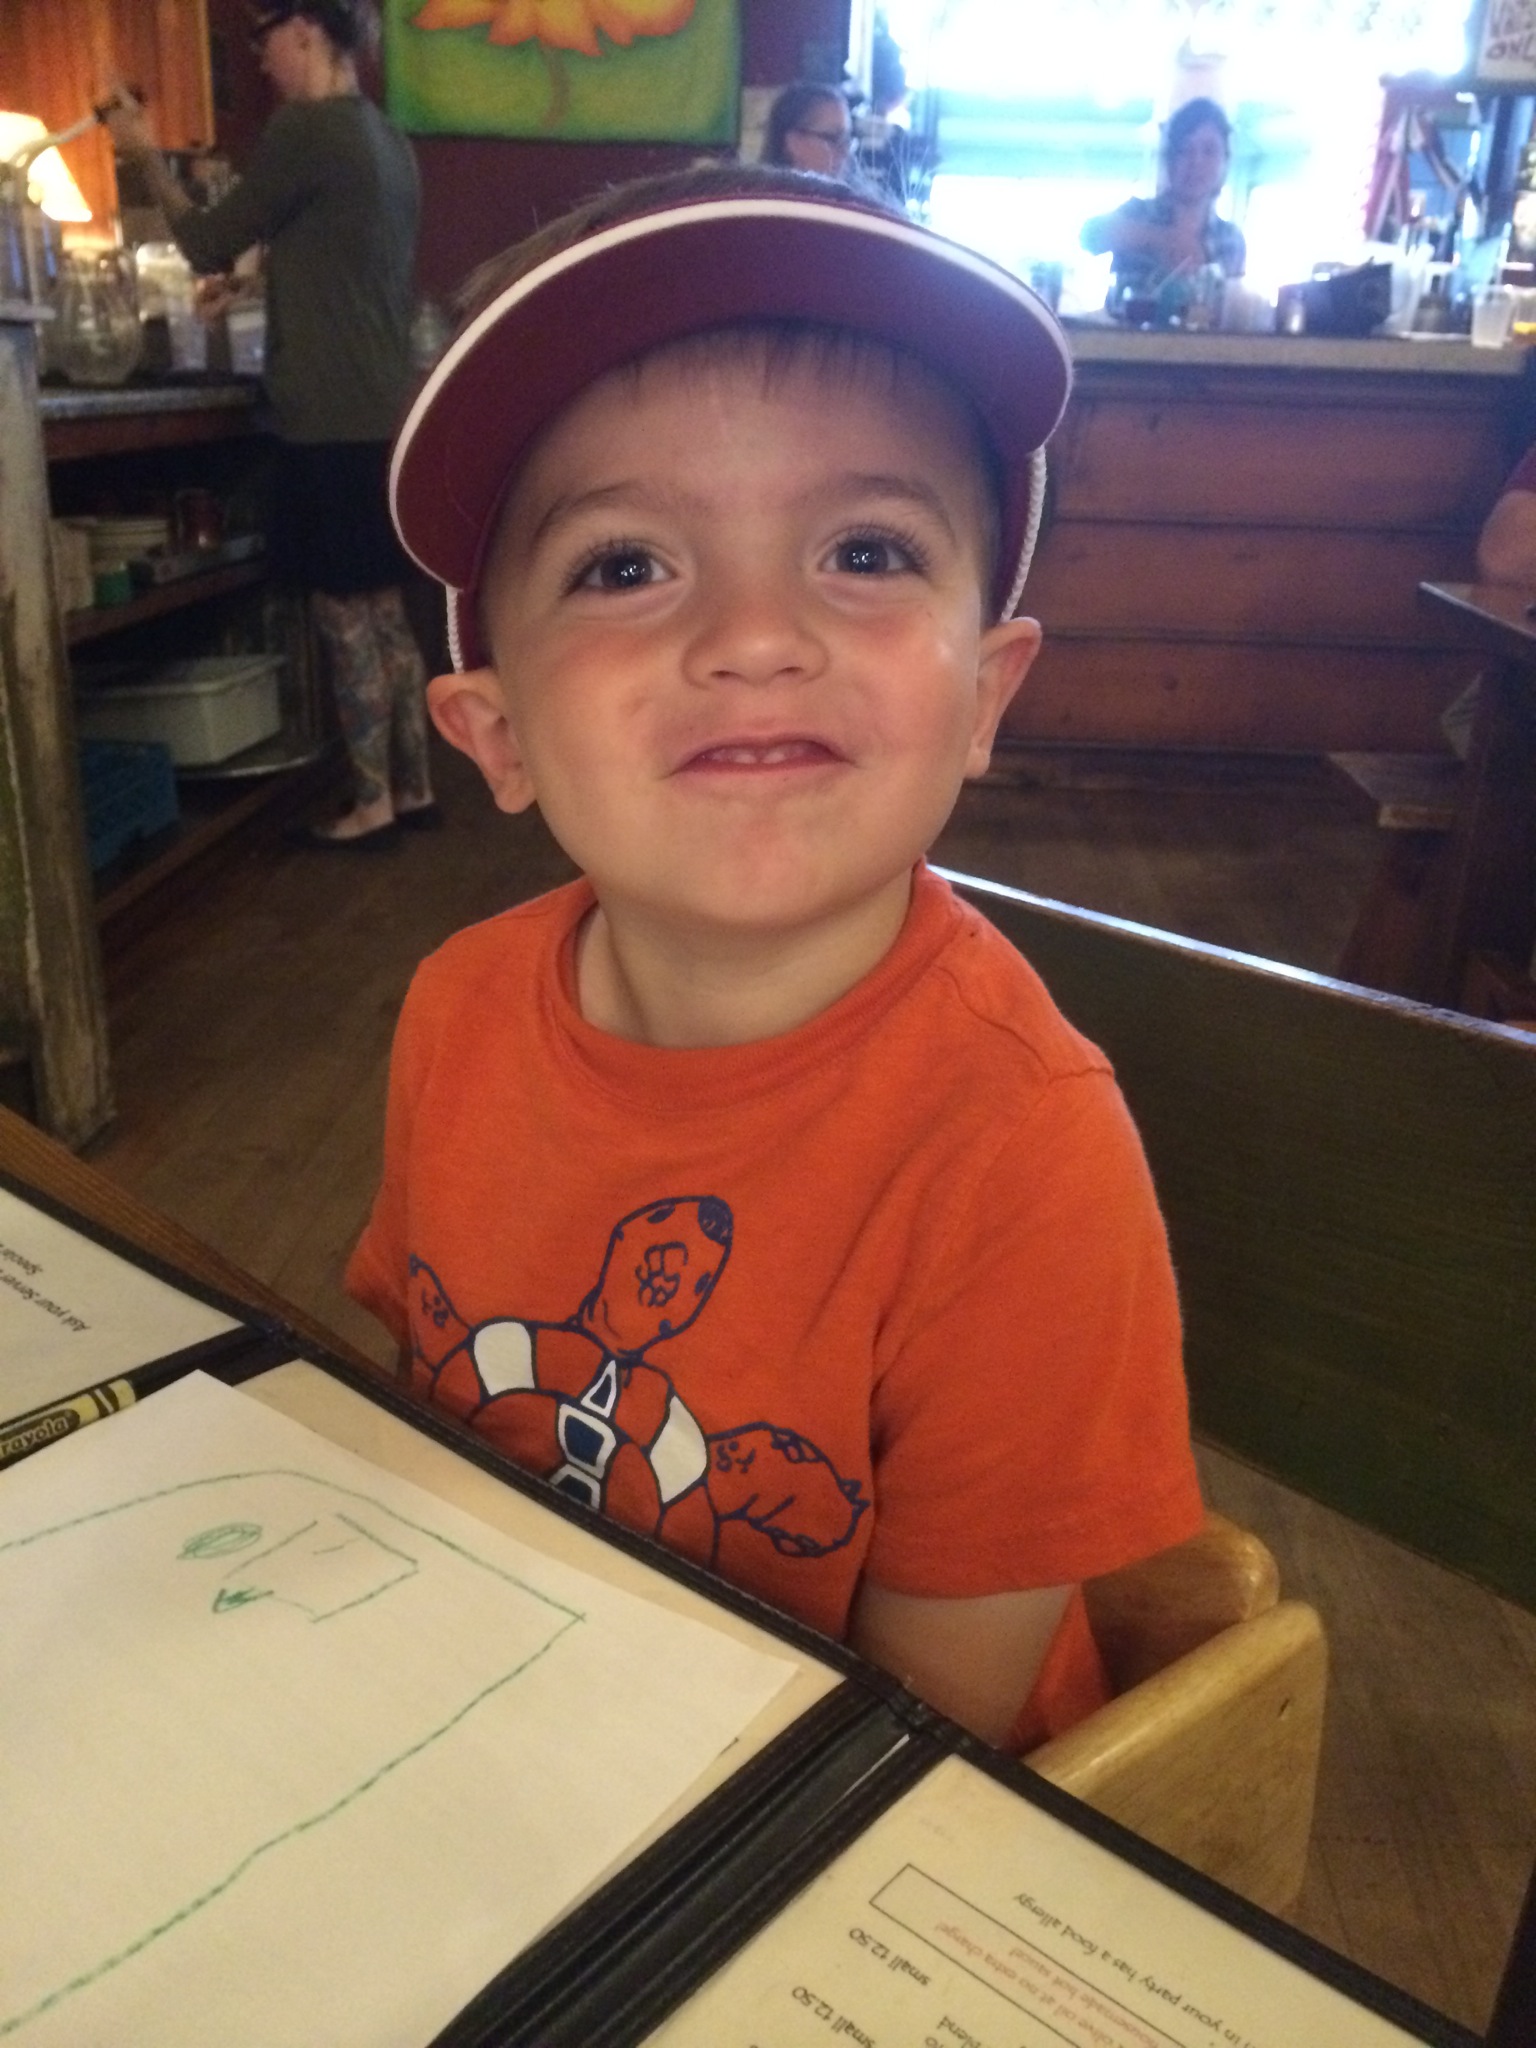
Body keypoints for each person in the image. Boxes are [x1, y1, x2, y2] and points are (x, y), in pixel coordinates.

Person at [345, 163, 1203, 1752]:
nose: (752, 635)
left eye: (865, 551)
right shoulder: (459, 1005)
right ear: (496, 733)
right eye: (624, 566)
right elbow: (423, 1403)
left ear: (986, 694)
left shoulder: (1023, 1154)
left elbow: (918, 1744)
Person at [105, 1, 436, 849]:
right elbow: (349, 264)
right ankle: (415, 789)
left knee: (342, 616)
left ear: (305, 29)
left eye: (263, 38)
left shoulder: (304, 131)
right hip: (384, 411)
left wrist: (140, 148)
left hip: (324, 416)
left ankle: (371, 806)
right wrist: (260, 287)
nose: (259, 58)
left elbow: (204, 242)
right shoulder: (386, 141)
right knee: (387, 613)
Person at [1082, 96, 1246, 314]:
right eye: (1185, 150)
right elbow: (1089, 236)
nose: (1196, 162)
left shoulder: (1231, 239)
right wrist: (1160, 238)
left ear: (1224, 161)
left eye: (1209, 151)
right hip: (1126, 335)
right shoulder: (1138, 213)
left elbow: (1232, 311)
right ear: (1169, 159)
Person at [762, 82, 855, 178]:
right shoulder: (761, 187)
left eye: (846, 141)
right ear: (794, 141)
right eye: (833, 139)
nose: (844, 152)